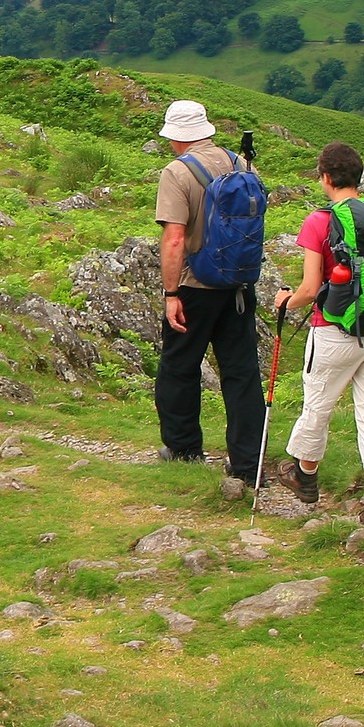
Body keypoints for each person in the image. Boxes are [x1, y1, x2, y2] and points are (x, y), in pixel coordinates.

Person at [278, 140, 364, 529]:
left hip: (334, 333)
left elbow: (311, 289)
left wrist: (285, 301)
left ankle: (305, 477)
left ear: (326, 178)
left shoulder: (319, 221)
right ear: (358, 177)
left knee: (318, 407)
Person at [152, 99, 265, 498]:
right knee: (241, 372)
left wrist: (170, 293)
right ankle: (249, 462)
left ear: (176, 137)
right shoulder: (242, 164)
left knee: (180, 366)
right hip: (238, 285)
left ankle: (183, 450)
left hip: (194, 286)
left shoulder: (177, 173)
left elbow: (175, 238)